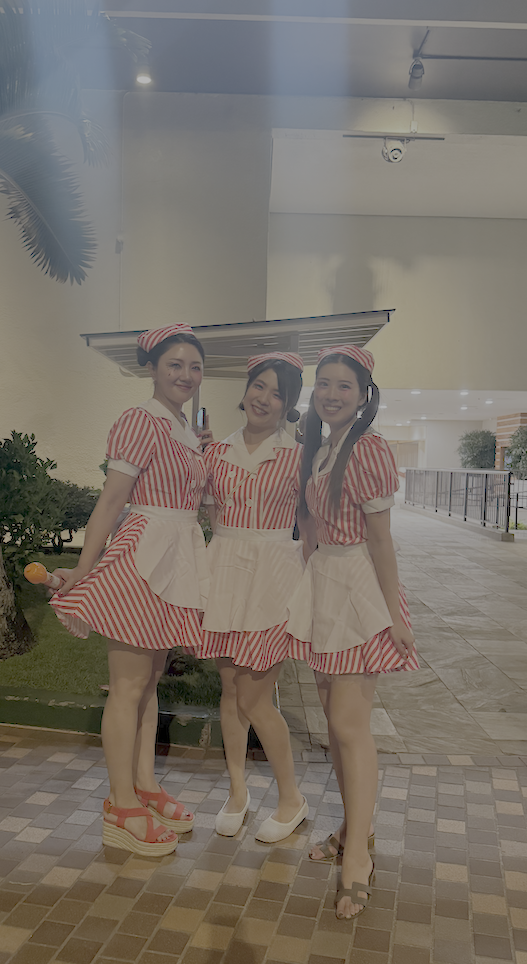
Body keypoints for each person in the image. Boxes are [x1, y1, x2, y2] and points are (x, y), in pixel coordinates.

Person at [50, 324, 208, 858]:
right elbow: (112, 500)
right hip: (144, 555)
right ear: (152, 369)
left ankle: (143, 785)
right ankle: (120, 805)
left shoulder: (183, 427)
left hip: (176, 554)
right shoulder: (140, 421)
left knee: (150, 679)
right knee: (128, 684)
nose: (186, 375)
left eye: (194, 367)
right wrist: (84, 567)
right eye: (175, 365)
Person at [288, 344, 418, 919]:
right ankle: (352, 831)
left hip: (359, 589)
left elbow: (381, 539)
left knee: (348, 724)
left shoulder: (368, 448)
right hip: (327, 583)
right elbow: (312, 527)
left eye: (344, 385)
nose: (332, 394)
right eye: (324, 383)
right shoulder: (321, 448)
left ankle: (358, 859)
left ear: (364, 395)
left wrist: (393, 614)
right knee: (335, 726)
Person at [195, 353, 308, 841]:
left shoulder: (300, 456)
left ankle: (291, 798)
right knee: (230, 691)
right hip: (225, 571)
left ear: (288, 404)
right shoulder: (215, 452)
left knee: (255, 697)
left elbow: (314, 523)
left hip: (274, 577)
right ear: (246, 390)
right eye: (259, 386)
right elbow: (207, 513)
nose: (265, 398)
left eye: (278, 393)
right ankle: (237, 792)